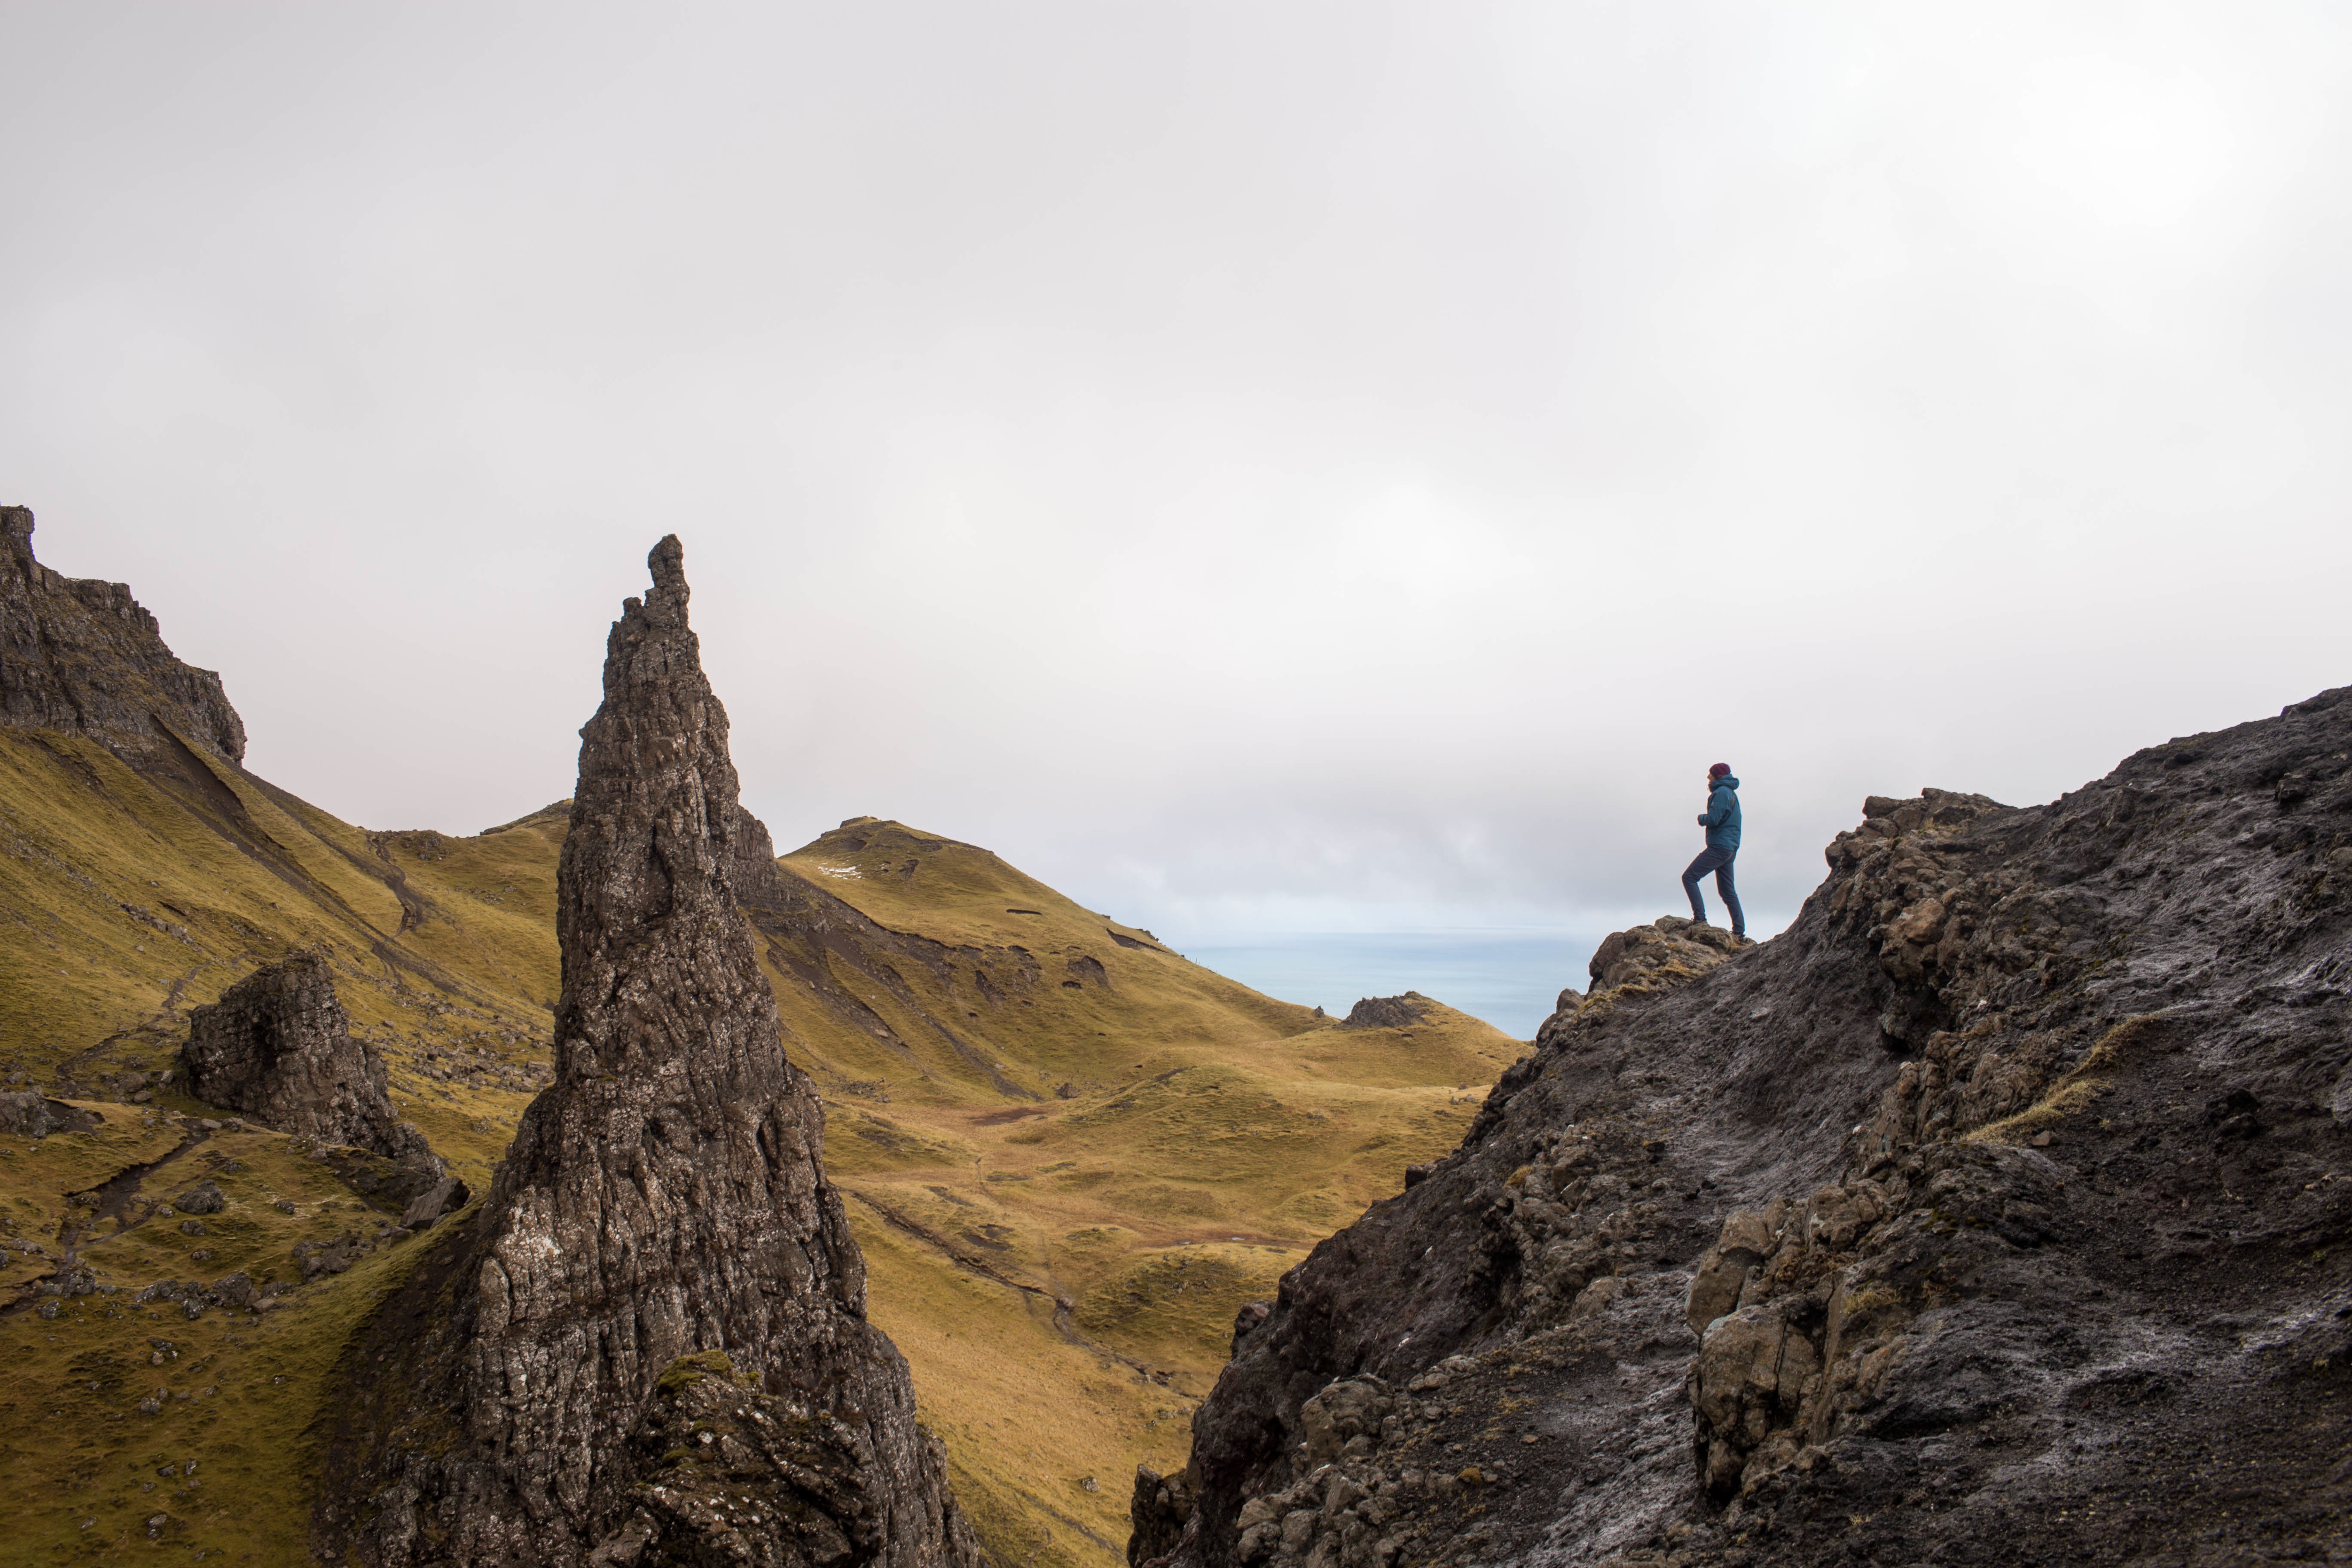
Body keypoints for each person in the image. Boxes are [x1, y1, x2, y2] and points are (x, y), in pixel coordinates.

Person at [1683, 762, 1744, 939]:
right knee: (1727, 891)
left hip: (1719, 847)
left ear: (1717, 776)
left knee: (1689, 878)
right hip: (1730, 849)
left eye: (1710, 774)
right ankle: (1739, 932)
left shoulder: (1721, 793)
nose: (1708, 777)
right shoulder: (1731, 793)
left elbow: (1714, 819)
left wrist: (1701, 818)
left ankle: (1700, 919)